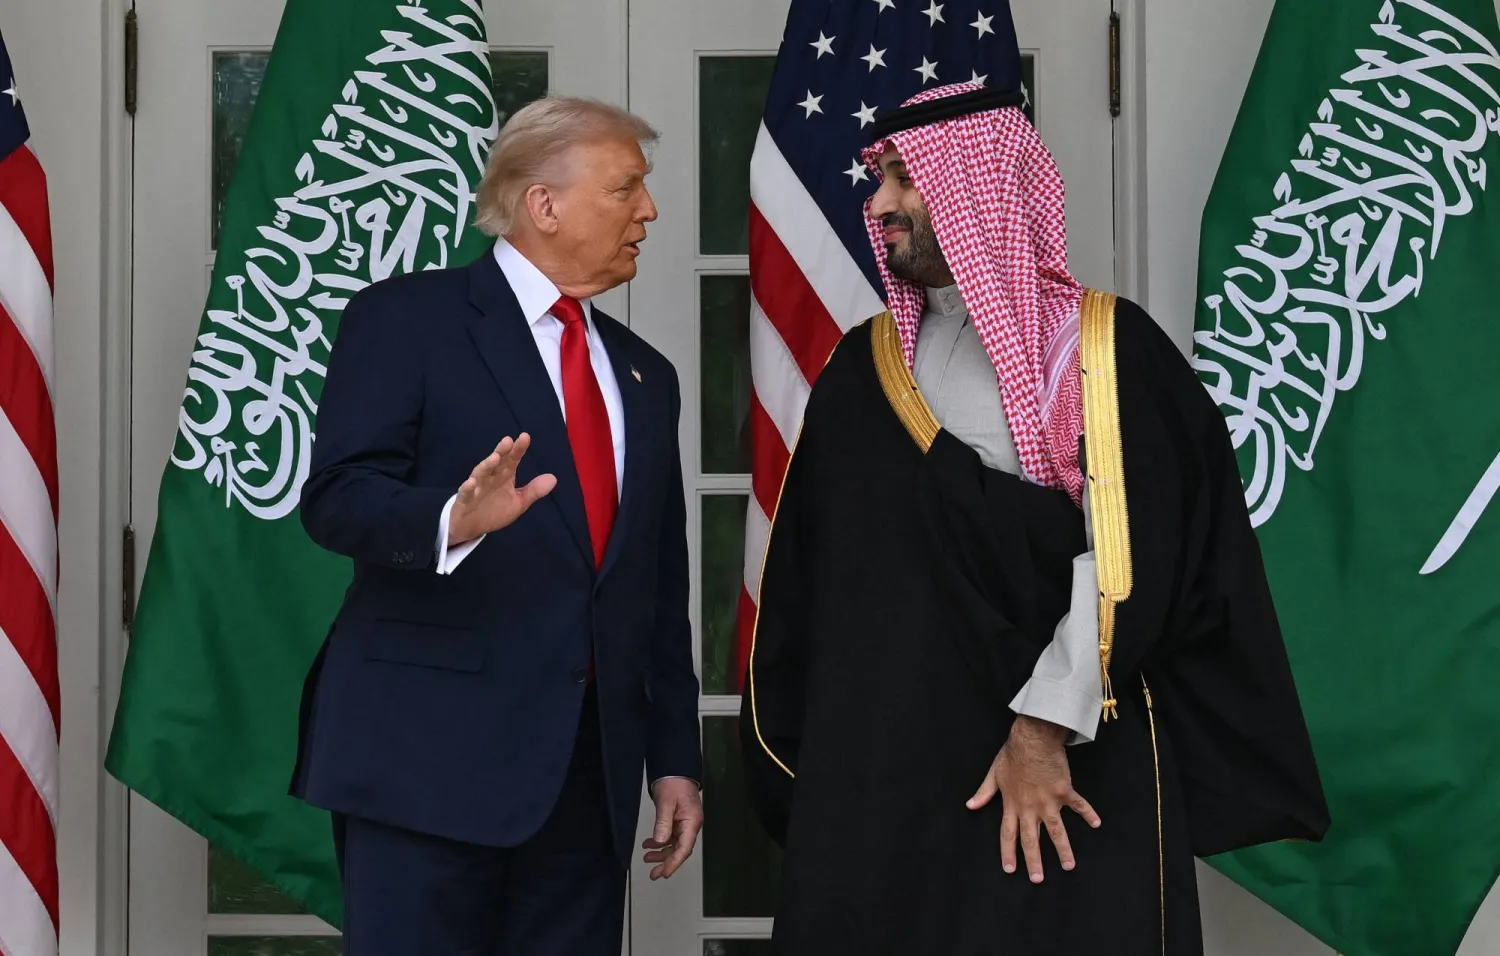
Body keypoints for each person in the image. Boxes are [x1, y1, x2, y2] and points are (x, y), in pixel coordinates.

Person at [740, 82, 1331, 955]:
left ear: (979, 186)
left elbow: (1132, 558)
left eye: (905, 177)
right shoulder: (862, 369)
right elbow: (812, 584)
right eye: (881, 177)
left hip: (1056, 770)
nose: (881, 203)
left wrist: (1041, 730)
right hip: (885, 778)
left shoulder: (1100, 352)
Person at [291, 96, 703, 956]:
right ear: (543, 204)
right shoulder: (407, 318)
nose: (649, 211)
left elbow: (658, 584)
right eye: (625, 188)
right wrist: (450, 517)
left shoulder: (647, 375)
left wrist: (674, 756)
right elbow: (336, 497)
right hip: (423, 763)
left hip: (586, 778)